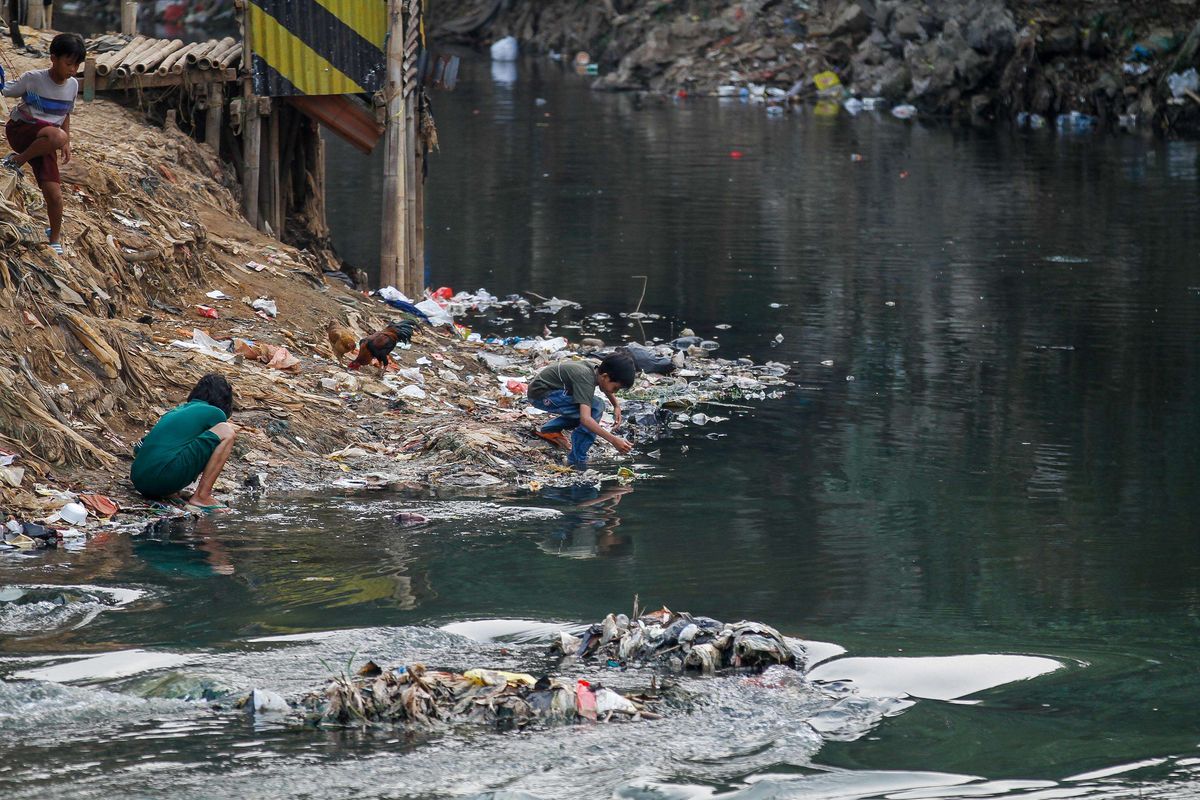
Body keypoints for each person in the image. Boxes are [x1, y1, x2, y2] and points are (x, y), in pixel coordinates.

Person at [1, 32, 86, 256]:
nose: (73, 70)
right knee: (56, 137)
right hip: (21, 131)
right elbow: (6, 90)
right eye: (69, 64)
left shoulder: (73, 86)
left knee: (54, 194)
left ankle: (54, 236)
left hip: (46, 142)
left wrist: (66, 142)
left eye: (77, 65)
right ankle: (17, 161)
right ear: (53, 58)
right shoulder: (33, 78)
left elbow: (66, 114)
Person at [130, 374, 237, 513]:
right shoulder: (215, 413)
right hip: (163, 478)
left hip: (139, 481)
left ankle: (169, 491)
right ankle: (202, 497)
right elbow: (212, 445)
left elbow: (139, 448)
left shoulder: (175, 411)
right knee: (226, 432)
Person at [526, 351, 636, 470]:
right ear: (604, 376)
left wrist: (616, 405)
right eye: (616, 388)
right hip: (541, 395)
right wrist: (613, 440)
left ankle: (549, 429)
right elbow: (585, 419)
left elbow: (606, 387)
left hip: (554, 391)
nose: (615, 392)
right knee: (595, 408)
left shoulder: (596, 369)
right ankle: (577, 459)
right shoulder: (585, 377)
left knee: (595, 406)